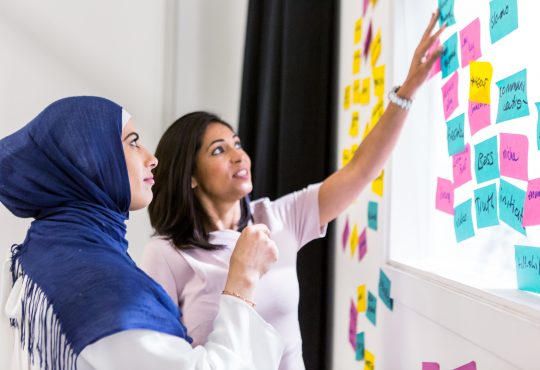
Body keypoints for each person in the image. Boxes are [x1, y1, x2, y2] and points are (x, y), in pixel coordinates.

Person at [141, 11, 445, 370]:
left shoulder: (280, 217)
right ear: (189, 175)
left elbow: (361, 170)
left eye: (237, 143)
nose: (239, 156)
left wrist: (407, 90)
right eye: (219, 150)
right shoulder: (166, 254)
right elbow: (160, 358)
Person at [0, 96, 284, 370]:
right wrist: (242, 279)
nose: (152, 159)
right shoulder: (105, 288)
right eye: (133, 143)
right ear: (91, 158)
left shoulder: (42, 252)